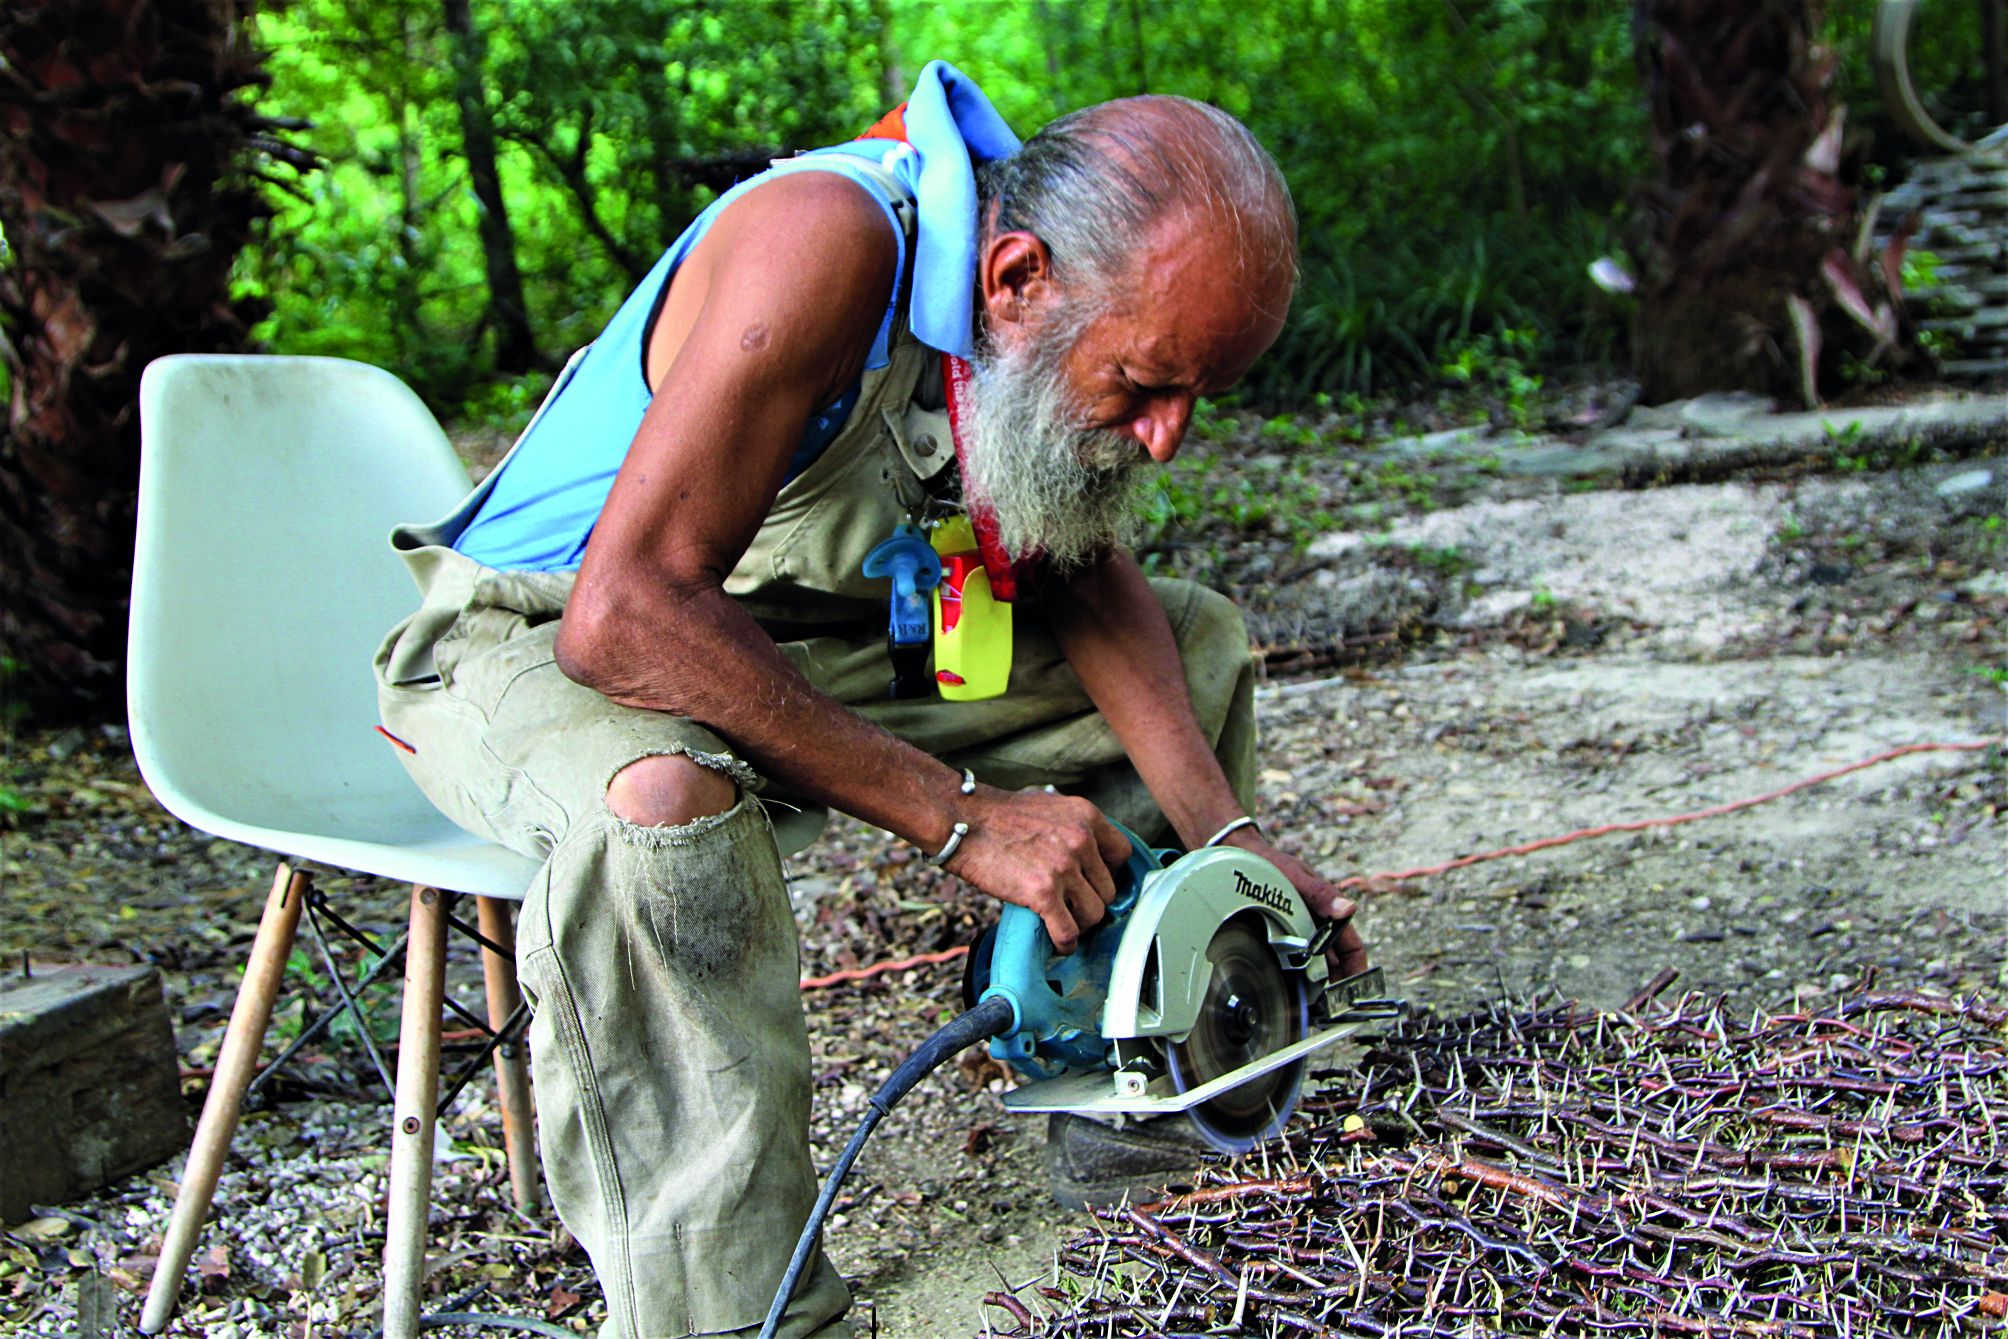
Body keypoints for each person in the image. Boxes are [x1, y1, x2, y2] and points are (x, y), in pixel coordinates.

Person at [374, 61, 1368, 1339]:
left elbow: (1073, 565)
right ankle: (730, 1313)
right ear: (1015, 279)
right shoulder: (825, 240)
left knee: (1193, 638)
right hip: (541, 632)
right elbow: (622, 617)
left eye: (1195, 398)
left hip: (787, 633)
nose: (1165, 435)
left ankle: (1134, 1084)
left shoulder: (1035, 291)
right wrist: (960, 815)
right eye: (1144, 382)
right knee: (661, 805)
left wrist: (1231, 840)